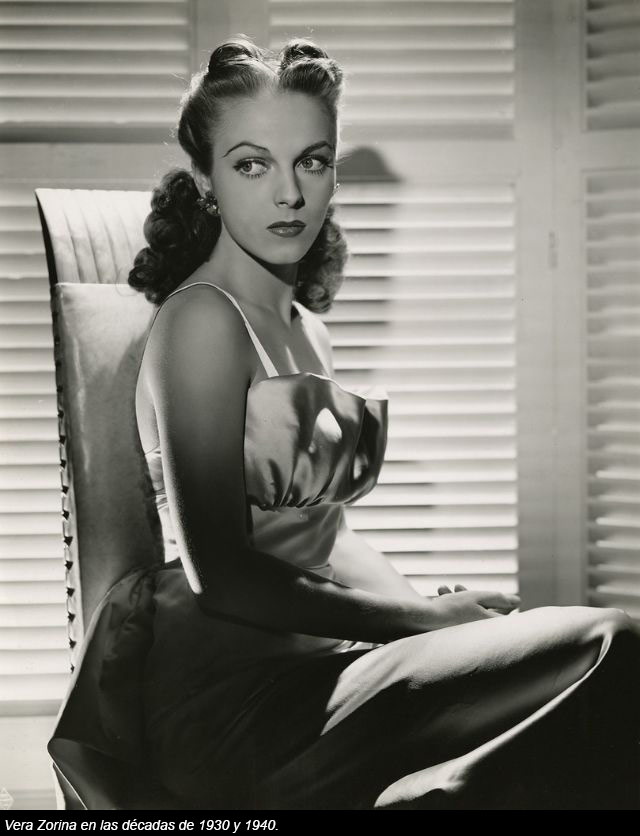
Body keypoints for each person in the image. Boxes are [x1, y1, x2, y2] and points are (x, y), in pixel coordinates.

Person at [50, 35, 640, 810]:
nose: (289, 194)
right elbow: (221, 573)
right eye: (252, 165)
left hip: (321, 663)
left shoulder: (308, 330)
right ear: (205, 181)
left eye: (313, 161)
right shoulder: (202, 321)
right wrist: (417, 620)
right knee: (610, 644)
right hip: (234, 695)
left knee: (584, 687)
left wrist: (437, 616)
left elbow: (329, 538)